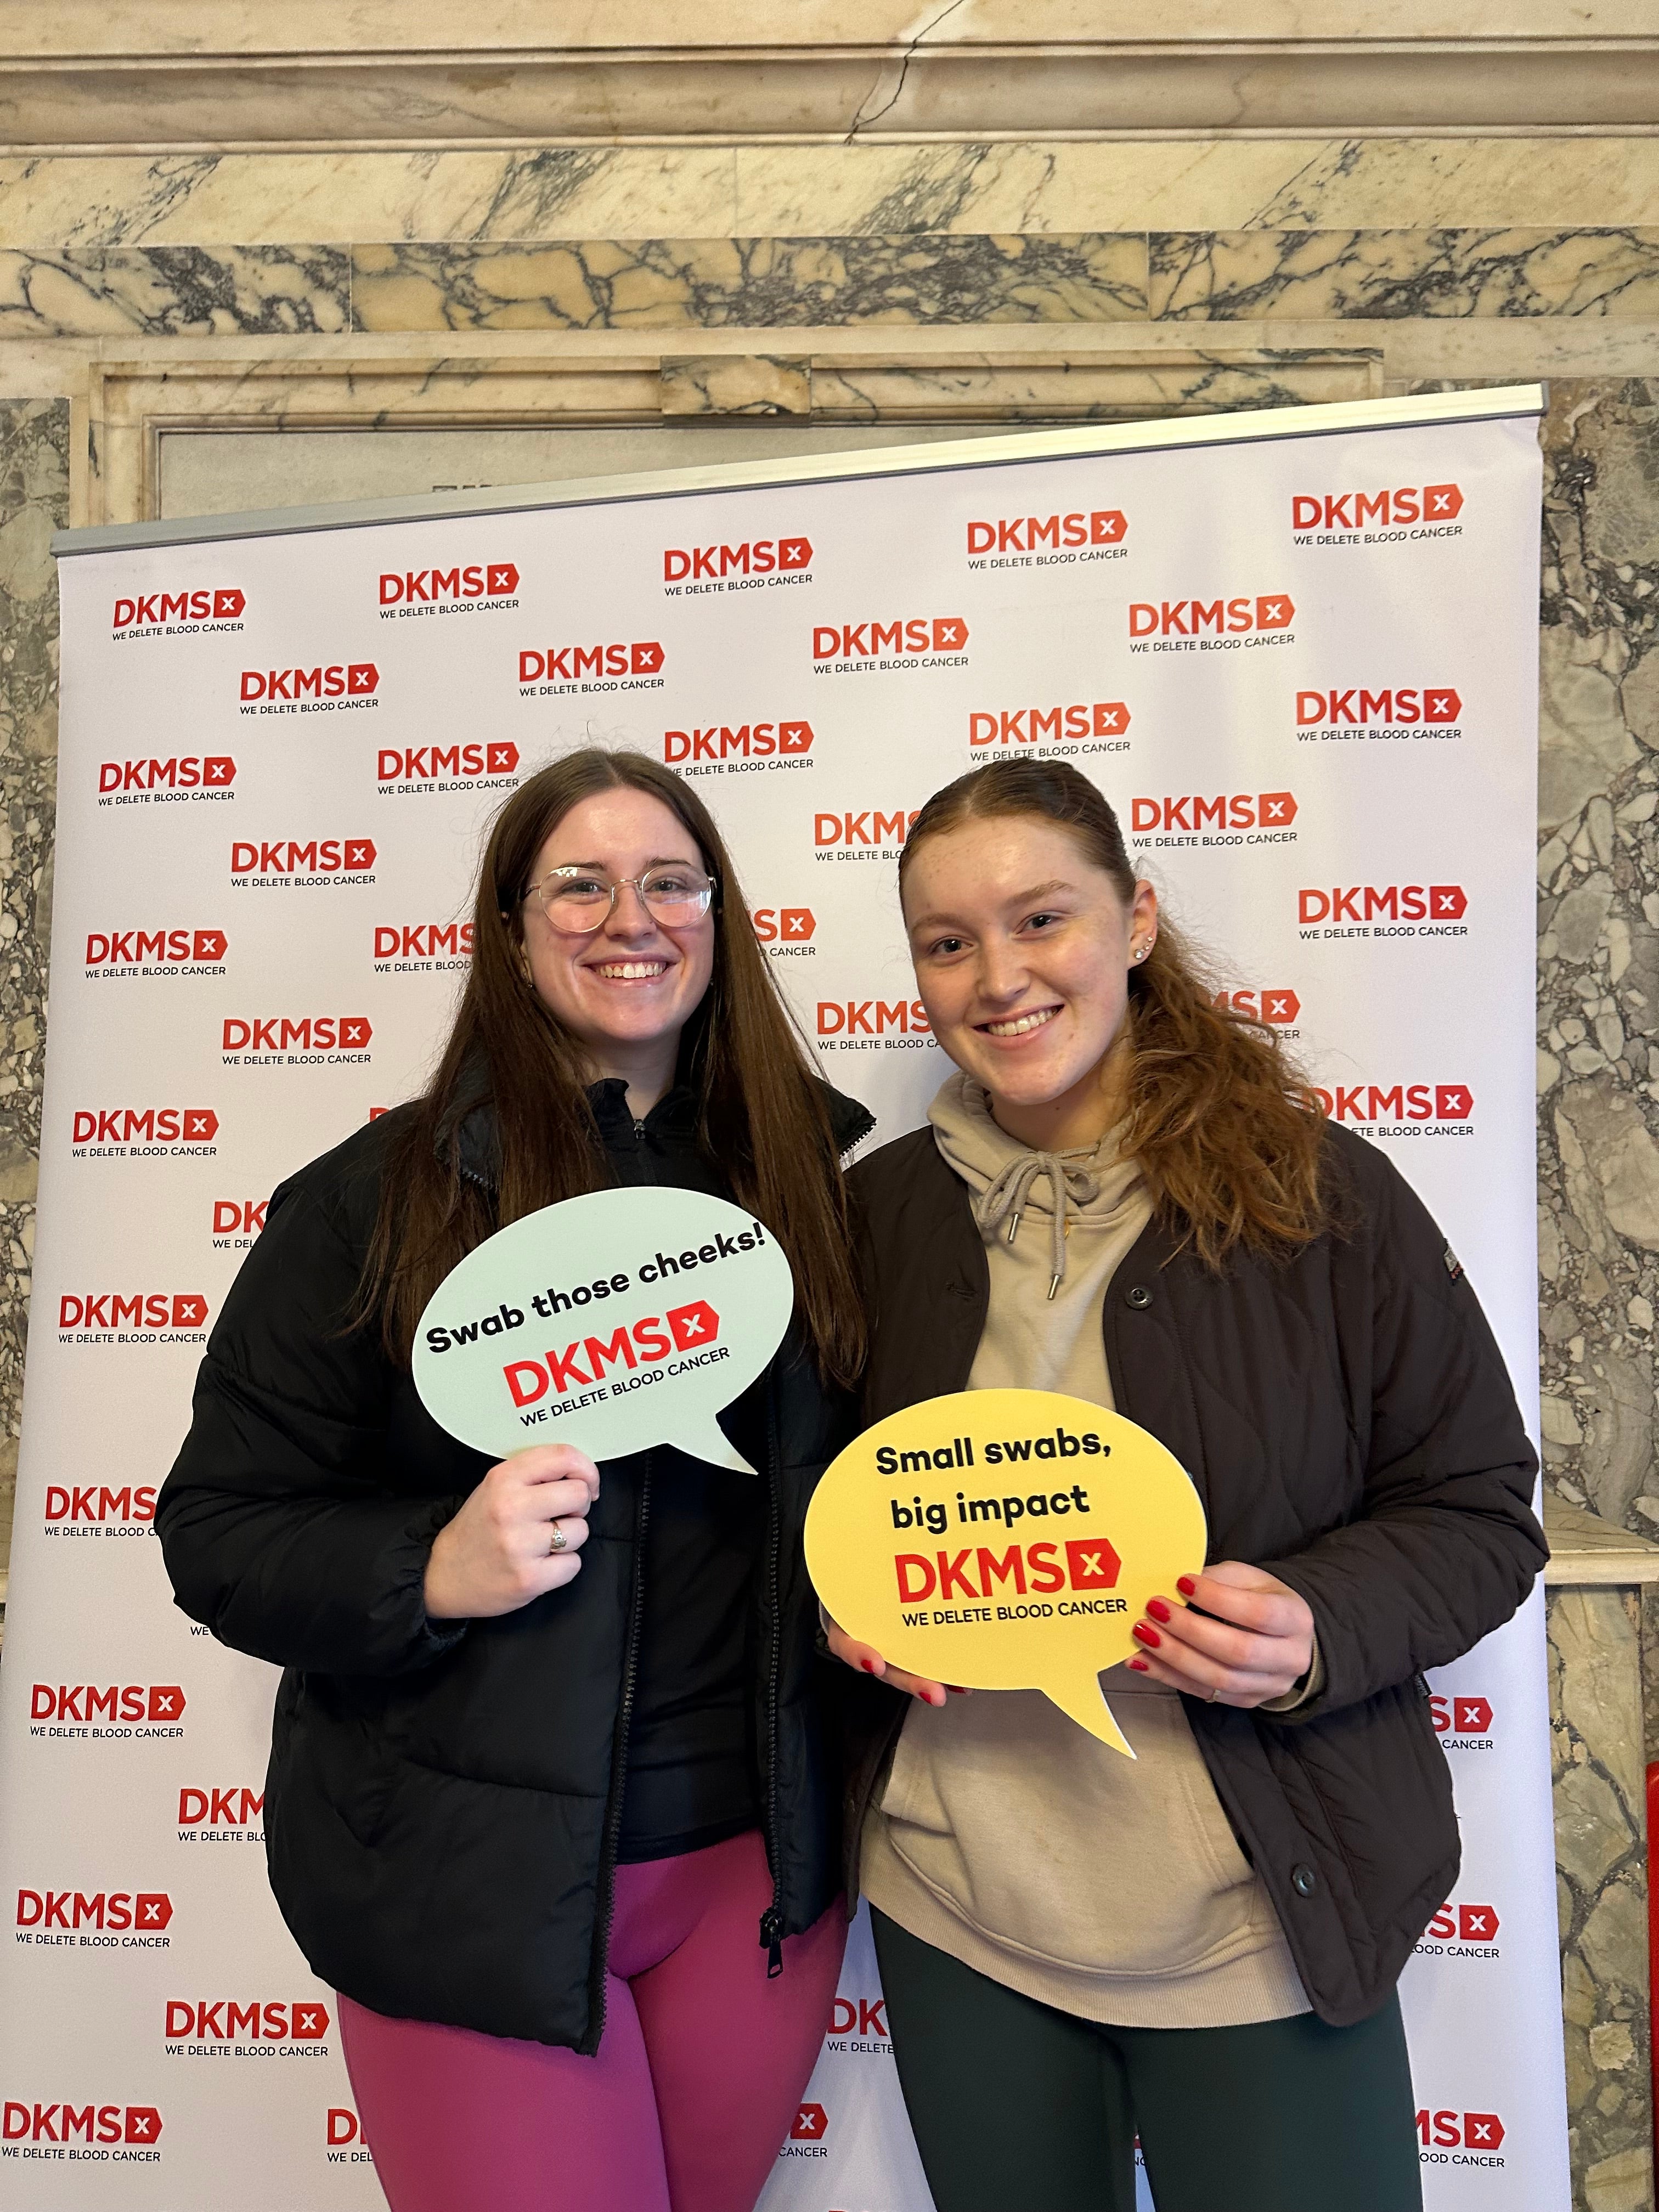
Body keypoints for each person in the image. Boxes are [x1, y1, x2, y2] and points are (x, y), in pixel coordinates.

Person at [157, 749, 872, 2212]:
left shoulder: (813, 1185)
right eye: (582, 885)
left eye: (673, 880)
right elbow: (219, 1532)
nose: (635, 917)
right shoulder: (377, 1198)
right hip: (469, 1881)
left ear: (720, 916)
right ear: (507, 926)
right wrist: (427, 1568)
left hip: (749, 1883)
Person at [827, 757, 1544, 2212]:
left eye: (1042, 920)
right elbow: (818, 1507)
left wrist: (1317, 1623)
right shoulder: (873, 1215)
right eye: (948, 941)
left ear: (1138, 918)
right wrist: (841, 1601)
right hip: (957, 1906)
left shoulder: (1316, 1193)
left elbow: (1478, 1507)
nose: (998, 977)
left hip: (1253, 1924)